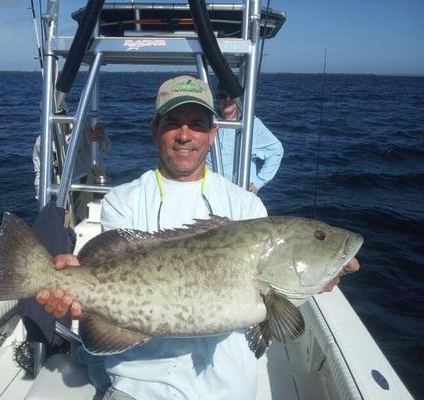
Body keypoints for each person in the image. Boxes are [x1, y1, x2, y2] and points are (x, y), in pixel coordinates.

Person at [36, 75, 360, 399]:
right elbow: (109, 271)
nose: (185, 135)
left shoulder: (246, 205)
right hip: (139, 388)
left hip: (227, 389)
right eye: (173, 123)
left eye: (198, 124)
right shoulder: (124, 200)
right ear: (155, 129)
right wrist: (73, 285)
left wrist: (321, 277)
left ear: (213, 133)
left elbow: (278, 320)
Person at [207, 83, 283, 194]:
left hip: (240, 194)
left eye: (231, 96)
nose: (227, 99)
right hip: (211, 191)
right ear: (217, 98)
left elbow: (276, 151)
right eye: (222, 96)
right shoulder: (208, 121)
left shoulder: (252, 124)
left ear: (238, 99)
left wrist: (258, 182)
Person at [33, 120, 110, 195]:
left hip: (92, 183)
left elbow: (105, 148)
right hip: (63, 191)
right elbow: (40, 174)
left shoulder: (88, 125)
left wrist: (101, 139)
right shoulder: (44, 140)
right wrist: (42, 199)